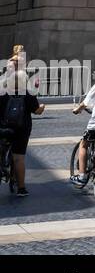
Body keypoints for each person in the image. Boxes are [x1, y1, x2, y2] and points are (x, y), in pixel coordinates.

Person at [0, 54, 44, 195]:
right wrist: (42, 107)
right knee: (18, 157)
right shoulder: (28, 93)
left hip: (3, 127)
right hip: (22, 128)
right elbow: (37, 111)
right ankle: (21, 188)